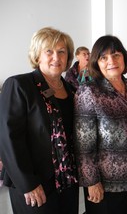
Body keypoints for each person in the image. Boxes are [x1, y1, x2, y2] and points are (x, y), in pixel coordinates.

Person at [0, 27, 79, 214]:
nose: (56, 57)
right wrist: (27, 183)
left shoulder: (70, 90)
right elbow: (8, 138)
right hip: (34, 183)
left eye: (62, 51)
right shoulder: (20, 85)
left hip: (67, 181)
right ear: (37, 55)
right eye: (49, 51)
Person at [74, 35, 127, 214]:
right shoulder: (89, 92)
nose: (111, 61)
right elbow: (83, 146)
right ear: (96, 62)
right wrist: (91, 182)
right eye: (103, 57)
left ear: (124, 58)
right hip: (103, 183)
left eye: (116, 55)